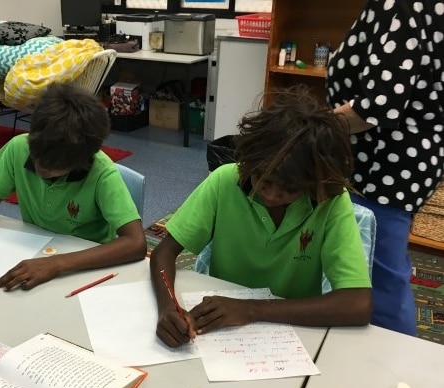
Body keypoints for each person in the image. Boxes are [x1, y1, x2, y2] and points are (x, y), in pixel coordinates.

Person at [150, 86, 373, 348]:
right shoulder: (225, 180)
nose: (272, 195)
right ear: (249, 161)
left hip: (294, 332)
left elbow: (358, 304)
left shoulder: (332, 202)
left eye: (289, 190)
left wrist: (253, 310)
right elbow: (164, 253)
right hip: (219, 330)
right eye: (263, 180)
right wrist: (168, 307)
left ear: (314, 183)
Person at [0, 82, 147, 290]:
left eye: (53, 167)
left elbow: (136, 243)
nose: (40, 168)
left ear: (81, 161)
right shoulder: (18, 148)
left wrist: (57, 264)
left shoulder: (102, 173)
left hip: (86, 265)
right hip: (34, 250)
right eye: (36, 156)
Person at [326, 0, 443, 335]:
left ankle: (391, 372)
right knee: (379, 268)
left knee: (378, 279)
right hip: (407, 159)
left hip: (387, 164)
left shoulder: (405, 4)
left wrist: (307, 130)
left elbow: (377, 107)